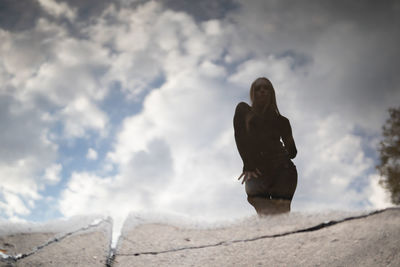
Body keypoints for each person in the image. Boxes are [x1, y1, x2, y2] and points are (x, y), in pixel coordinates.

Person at [233, 77, 298, 216]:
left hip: (283, 169)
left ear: (271, 93)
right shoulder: (243, 110)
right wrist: (248, 164)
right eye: (258, 88)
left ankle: (285, 230)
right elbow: (240, 136)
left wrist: (285, 138)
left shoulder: (282, 121)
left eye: (266, 88)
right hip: (257, 170)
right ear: (253, 93)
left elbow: (292, 152)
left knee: (281, 209)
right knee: (256, 199)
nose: (262, 90)